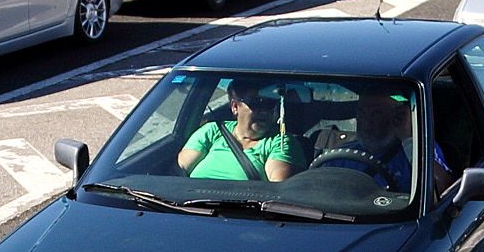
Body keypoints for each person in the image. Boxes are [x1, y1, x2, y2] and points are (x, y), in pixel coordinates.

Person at [312, 90, 440, 196]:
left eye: (376, 114)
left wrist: (408, 140)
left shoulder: (420, 149)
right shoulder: (339, 156)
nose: (367, 122)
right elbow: (313, 193)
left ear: (397, 118)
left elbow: (439, 188)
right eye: (362, 114)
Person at [177, 83, 299, 183]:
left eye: (270, 104)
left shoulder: (280, 141)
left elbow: (279, 188)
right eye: (255, 102)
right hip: (191, 207)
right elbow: (179, 172)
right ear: (235, 106)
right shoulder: (212, 131)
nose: (264, 111)